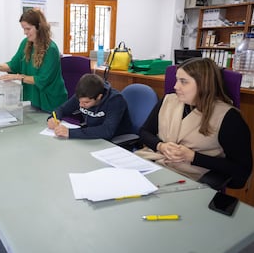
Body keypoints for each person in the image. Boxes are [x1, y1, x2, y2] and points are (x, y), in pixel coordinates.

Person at [137, 58, 252, 188]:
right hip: (151, 165)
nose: (175, 86)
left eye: (183, 82)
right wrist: (160, 146)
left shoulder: (228, 117)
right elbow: (144, 132)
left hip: (187, 179)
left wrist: (193, 157)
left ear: (204, 84)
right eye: (177, 80)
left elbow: (242, 170)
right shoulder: (169, 100)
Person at [0, 8, 67, 112]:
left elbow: (42, 79)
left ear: (39, 27)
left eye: (28, 29)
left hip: (51, 101)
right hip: (35, 100)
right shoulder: (26, 43)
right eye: (23, 29)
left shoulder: (51, 49)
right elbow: (13, 65)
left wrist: (17, 77)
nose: (25, 32)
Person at [47, 73, 132, 140]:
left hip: (114, 142)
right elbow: (62, 109)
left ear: (99, 97)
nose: (80, 105)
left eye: (86, 102)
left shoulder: (115, 100)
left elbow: (107, 130)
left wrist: (70, 133)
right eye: (79, 101)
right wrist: (53, 118)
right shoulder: (83, 95)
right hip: (92, 137)